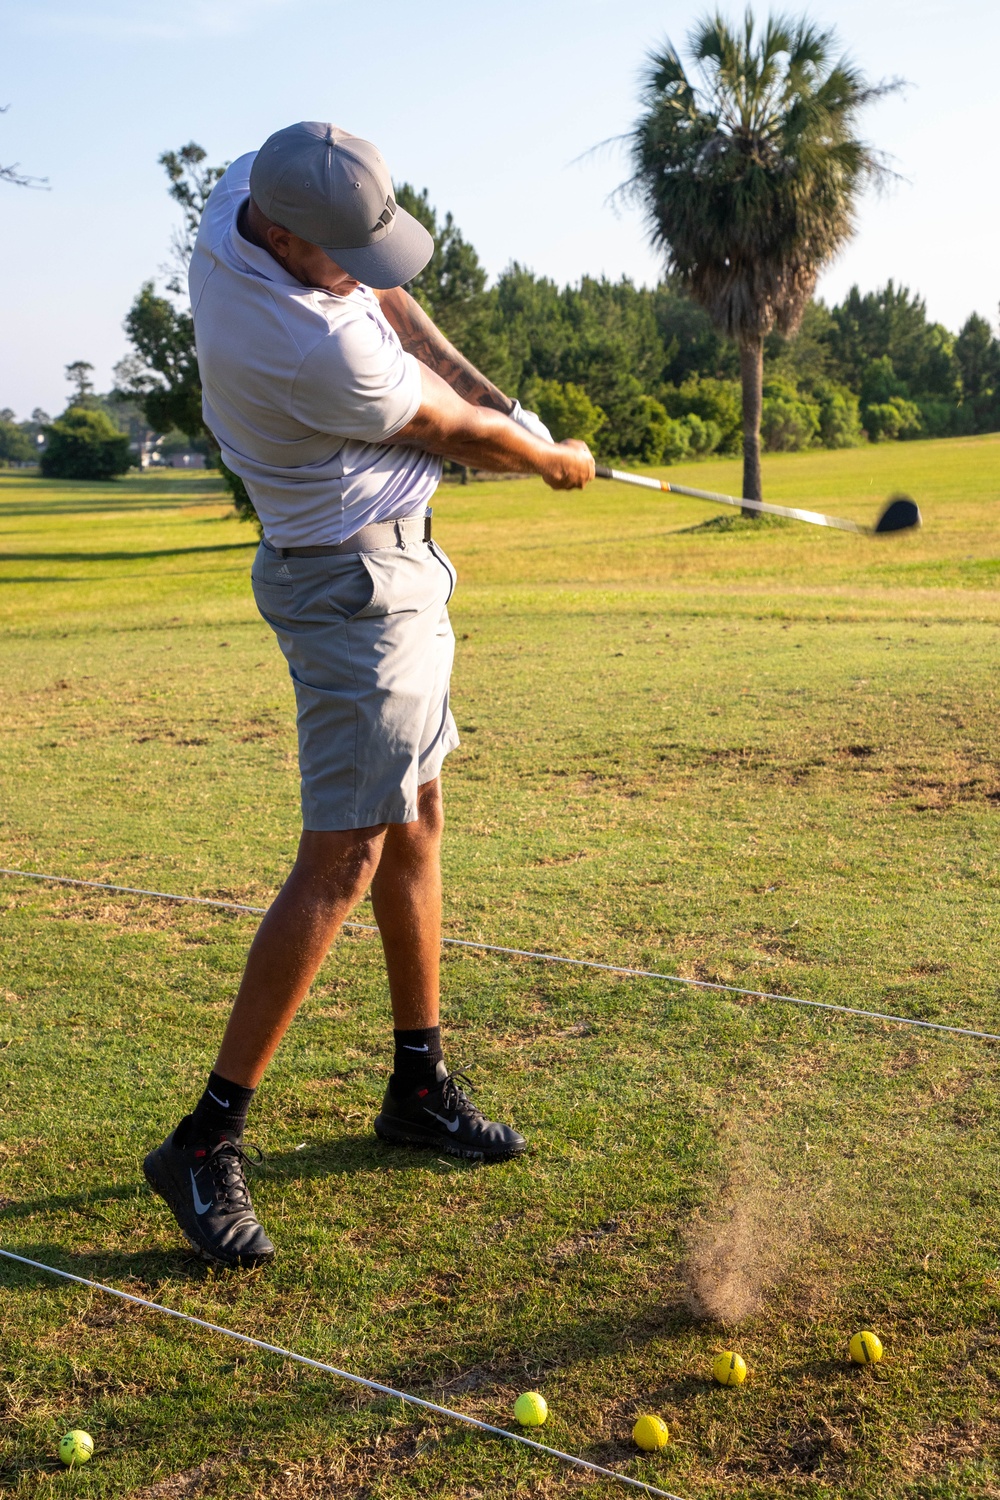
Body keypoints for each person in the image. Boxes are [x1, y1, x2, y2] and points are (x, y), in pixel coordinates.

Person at [142, 121, 595, 1268]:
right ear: (284, 237)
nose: (367, 268)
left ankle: (417, 1086)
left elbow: (392, 304)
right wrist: (542, 453)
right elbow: (447, 432)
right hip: (355, 594)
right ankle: (205, 1140)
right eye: (346, 252)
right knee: (342, 854)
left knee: (417, 823)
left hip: (393, 570)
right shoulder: (301, 346)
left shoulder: (253, 190)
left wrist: (505, 400)